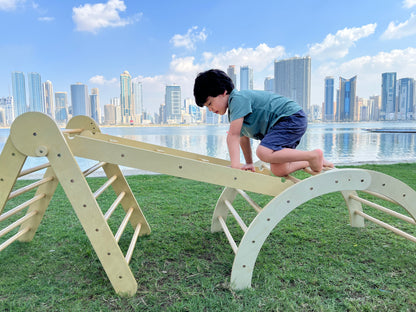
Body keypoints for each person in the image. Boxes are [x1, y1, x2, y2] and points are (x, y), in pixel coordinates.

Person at [193, 69, 333, 177]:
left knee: (263, 151)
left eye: (210, 103)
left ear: (223, 92)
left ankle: (312, 155)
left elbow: (233, 135)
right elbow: (243, 138)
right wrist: (249, 163)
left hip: (290, 117)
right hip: (286, 122)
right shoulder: (235, 112)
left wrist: (235, 168)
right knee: (279, 170)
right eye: (207, 107)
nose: (211, 109)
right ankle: (313, 159)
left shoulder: (238, 99)